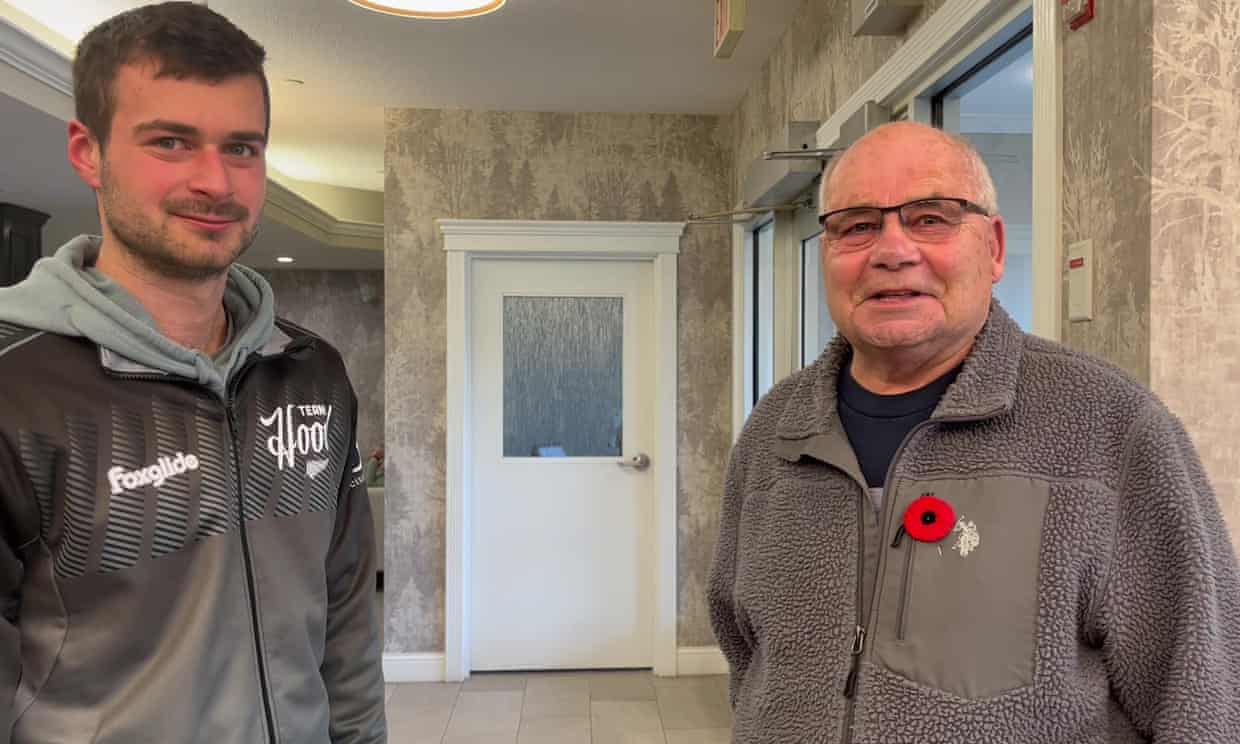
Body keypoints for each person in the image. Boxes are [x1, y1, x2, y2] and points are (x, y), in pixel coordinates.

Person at [708, 121, 1240, 743]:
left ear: (993, 248)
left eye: (931, 218)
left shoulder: (1110, 426)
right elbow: (749, 654)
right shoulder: (776, 429)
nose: (892, 250)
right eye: (857, 226)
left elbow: (1203, 694)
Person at [0, 4, 386, 742]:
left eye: (241, 148)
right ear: (88, 152)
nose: (216, 181)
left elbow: (345, 617)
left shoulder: (311, 373)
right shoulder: (17, 389)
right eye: (171, 142)